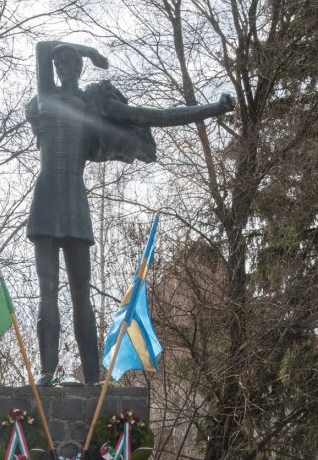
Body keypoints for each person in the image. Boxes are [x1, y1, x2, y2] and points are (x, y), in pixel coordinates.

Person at [27, 40, 235, 384]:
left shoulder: (94, 104)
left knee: (82, 291)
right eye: (59, 63)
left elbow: (158, 116)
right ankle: (47, 372)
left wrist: (213, 108)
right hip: (46, 198)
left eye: (69, 63)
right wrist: (89, 51)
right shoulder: (45, 96)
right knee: (47, 287)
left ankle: (93, 377)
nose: (62, 68)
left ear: (77, 70)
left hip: (75, 200)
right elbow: (43, 46)